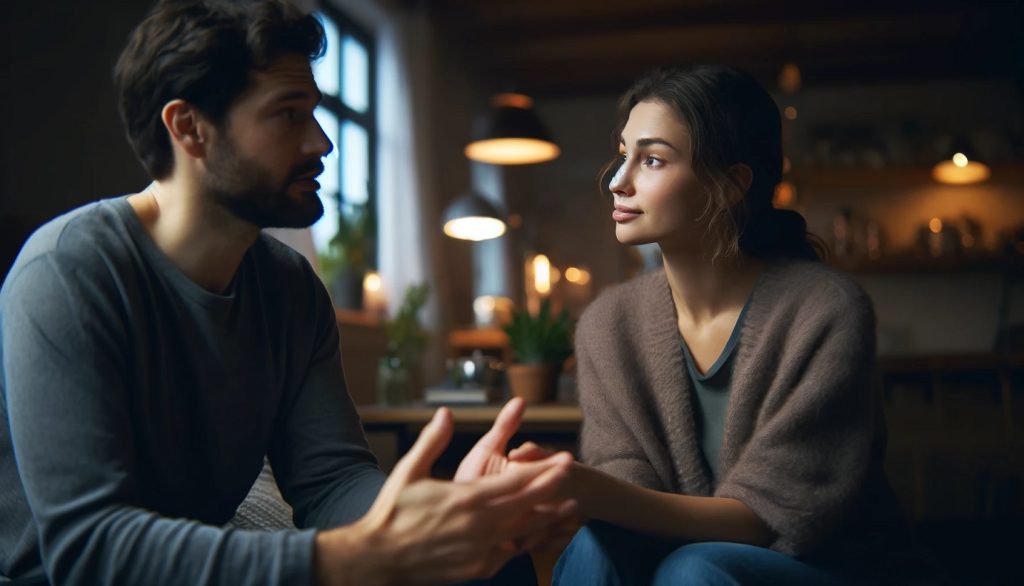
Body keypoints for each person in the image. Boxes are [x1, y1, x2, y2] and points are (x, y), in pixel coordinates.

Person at [0, 1, 574, 584]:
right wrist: (347, 558)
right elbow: (89, 547)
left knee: (488, 564)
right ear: (188, 128)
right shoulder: (68, 272)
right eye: (287, 115)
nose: (322, 143)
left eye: (315, 114)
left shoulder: (290, 286)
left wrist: (434, 515)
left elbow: (331, 481)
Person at [505, 65, 936, 585]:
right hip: (684, 563)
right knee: (597, 545)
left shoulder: (826, 310)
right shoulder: (608, 324)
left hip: (833, 565)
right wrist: (569, 486)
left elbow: (774, 519)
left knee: (695, 568)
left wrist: (591, 490)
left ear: (732, 185)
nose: (617, 182)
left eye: (653, 160)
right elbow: (626, 491)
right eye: (624, 154)